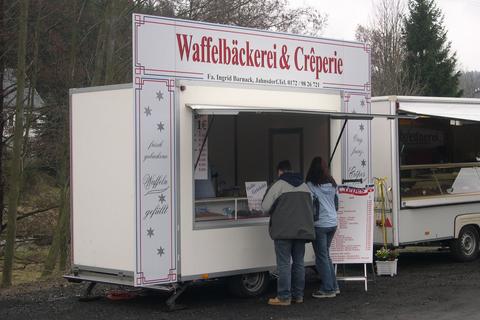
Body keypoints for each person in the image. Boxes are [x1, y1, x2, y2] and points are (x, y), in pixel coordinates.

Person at [262, 160, 315, 306]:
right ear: (291, 170)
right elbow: (313, 209)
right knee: (299, 263)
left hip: (283, 232)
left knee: (284, 264)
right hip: (302, 231)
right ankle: (298, 296)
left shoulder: (278, 185)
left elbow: (265, 206)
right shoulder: (305, 186)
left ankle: (284, 297)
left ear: (280, 171)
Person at [306, 156, 339, 298]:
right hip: (333, 222)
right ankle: (334, 286)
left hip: (319, 224)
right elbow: (337, 202)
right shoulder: (332, 183)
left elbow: (308, 203)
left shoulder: (310, 185)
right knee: (326, 255)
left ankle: (328, 289)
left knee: (321, 257)